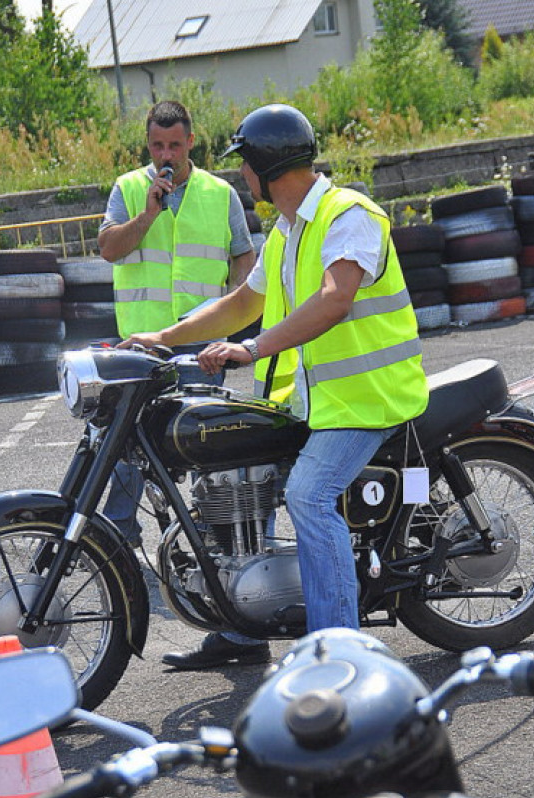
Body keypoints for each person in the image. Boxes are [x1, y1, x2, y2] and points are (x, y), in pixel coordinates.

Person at [120, 103, 429, 664]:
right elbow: (242, 303)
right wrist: (163, 336)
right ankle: (244, 627)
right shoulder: (288, 232)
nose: (242, 173)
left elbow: (336, 298)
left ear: (264, 164)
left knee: (307, 496)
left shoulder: (347, 216)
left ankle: (340, 650)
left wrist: (253, 347)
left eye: (246, 162)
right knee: (243, 472)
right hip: (315, 401)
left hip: (368, 400)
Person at [97, 99, 264, 670]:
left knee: (212, 461)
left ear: (191, 141)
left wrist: (234, 317)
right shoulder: (127, 189)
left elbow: (246, 262)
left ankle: (216, 565)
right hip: (142, 349)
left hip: (202, 350)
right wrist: (147, 213)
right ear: (147, 146)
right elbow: (110, 248)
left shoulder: (222, 195)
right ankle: (115, 558)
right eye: (156, 147)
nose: (164, 155)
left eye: (174, 145)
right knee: (120, 457)